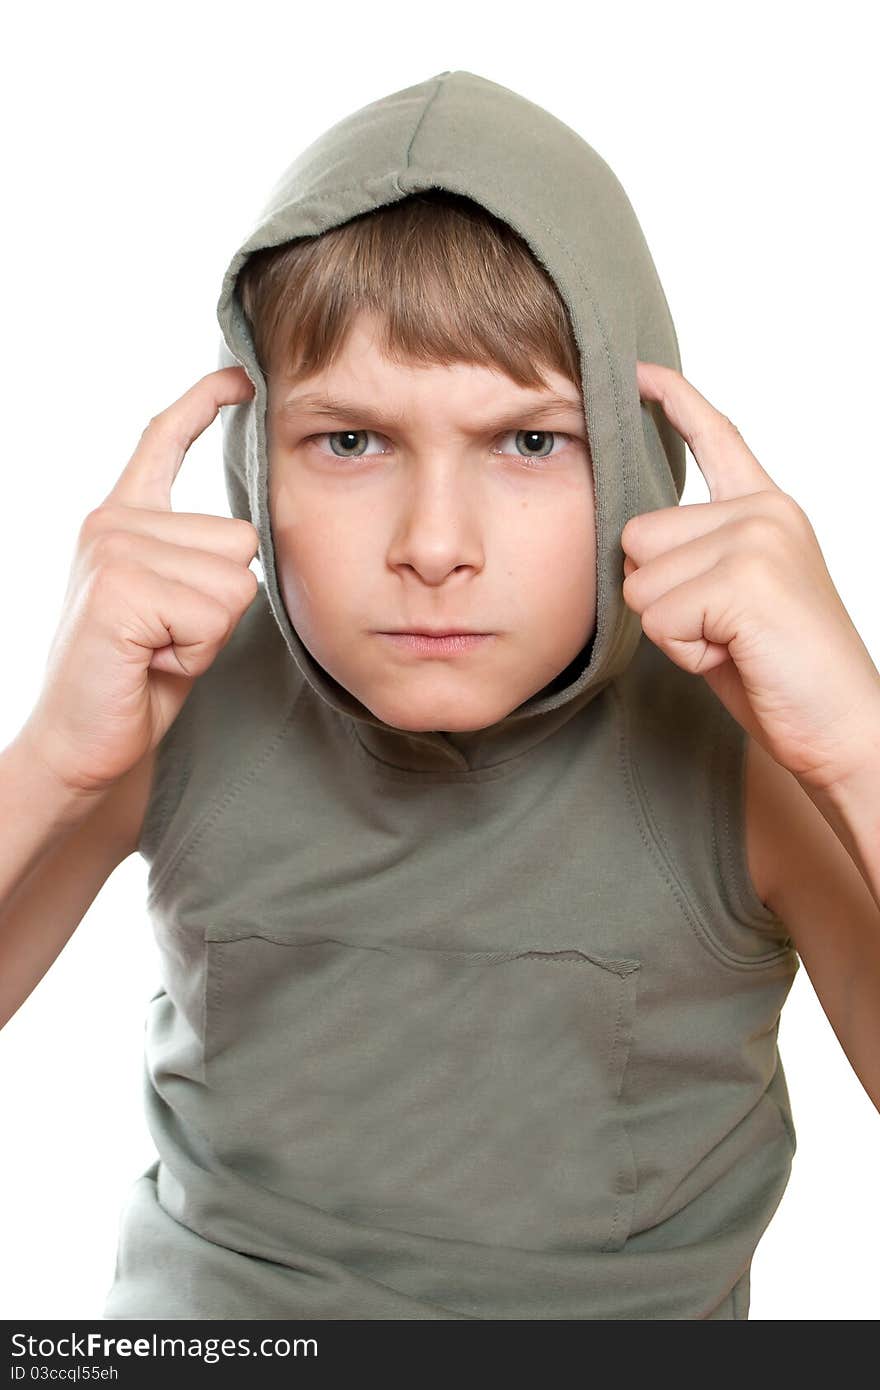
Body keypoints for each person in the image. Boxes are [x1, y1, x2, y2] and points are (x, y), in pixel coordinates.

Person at [2, 69, 879, 1321]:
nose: (432, 542)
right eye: (349, 441)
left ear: (641, 458)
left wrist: (855, 740)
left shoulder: (744, 743)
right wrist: (51, 760)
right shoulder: (175, 694)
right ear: (255, 464)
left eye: (529, 441)